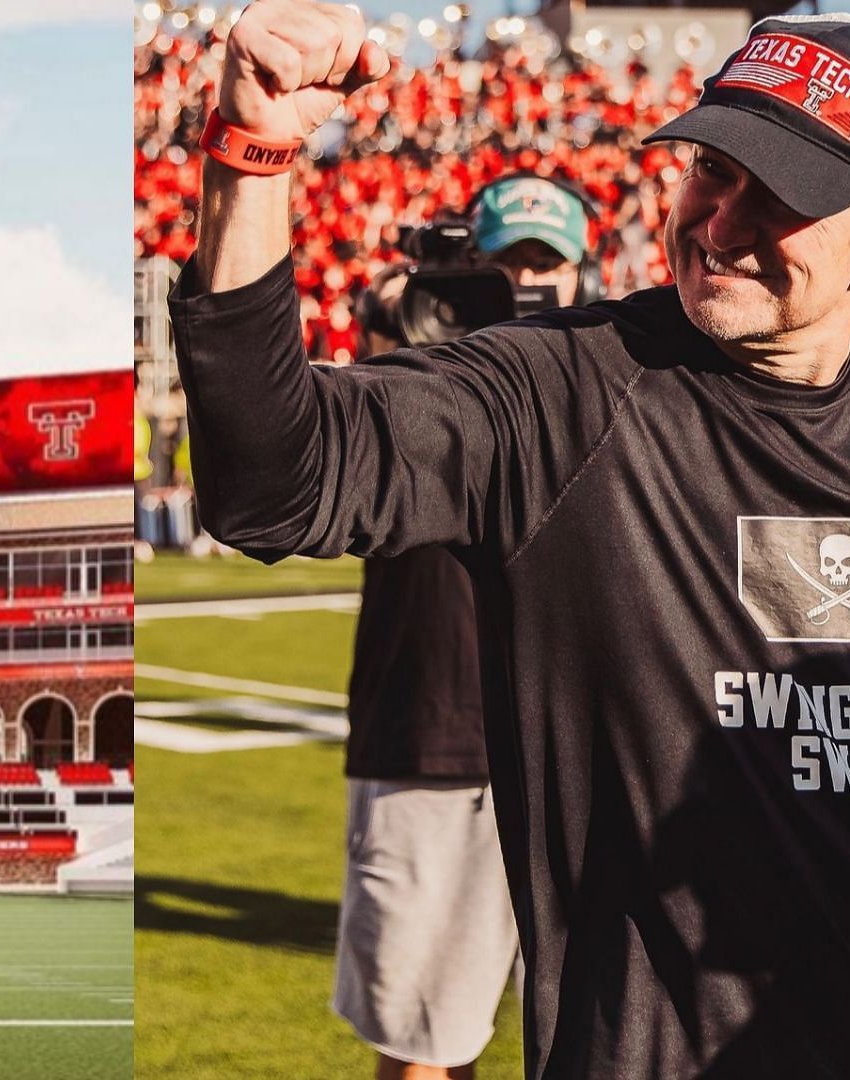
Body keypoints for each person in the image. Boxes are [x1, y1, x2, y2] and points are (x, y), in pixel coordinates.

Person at [171, 5, 850, 1076]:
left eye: (783, 193)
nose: (719, 223)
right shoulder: (562, 391)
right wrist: (252, 161)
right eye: (713, 168)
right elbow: (268, 484)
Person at [334, 177, 593, 1080]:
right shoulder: (413, 370)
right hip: (435, 735)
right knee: (421, 1050)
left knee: (615, 1045)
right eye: (504, 264)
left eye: (545, 266)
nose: (525, 286)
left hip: (586, 753)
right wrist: (391, 337)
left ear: (581, 276)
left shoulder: (613, 375)